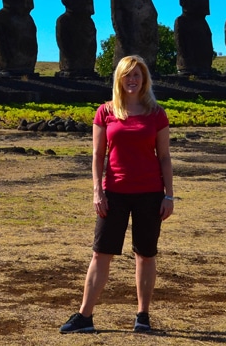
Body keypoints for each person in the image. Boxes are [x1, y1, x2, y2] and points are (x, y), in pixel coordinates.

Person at [60, 55, 174, 334]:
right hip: (114, 193)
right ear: (119, 79)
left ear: (144, 80)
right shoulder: (106, 112)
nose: (132, 80)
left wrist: (169, 195)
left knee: (145, 255)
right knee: (101, 254)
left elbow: (165, 157)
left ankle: (142, 317)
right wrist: (97, 192)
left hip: (149, 192)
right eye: (127, 75)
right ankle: (85, 316)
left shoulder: (156, 113)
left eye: (137, 75)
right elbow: (98, 156)